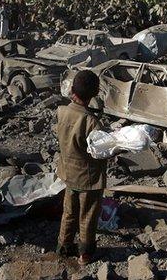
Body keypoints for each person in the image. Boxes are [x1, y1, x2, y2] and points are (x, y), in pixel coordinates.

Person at [56, 70, 106, 265]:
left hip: (68, 172)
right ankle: (85, 254)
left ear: (72, 90)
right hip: (88, 177)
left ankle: (63, 246)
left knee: (69, 211)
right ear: (94, 94)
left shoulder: (61, 111)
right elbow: (100, 151)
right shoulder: (92, 122)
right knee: (87, 215)